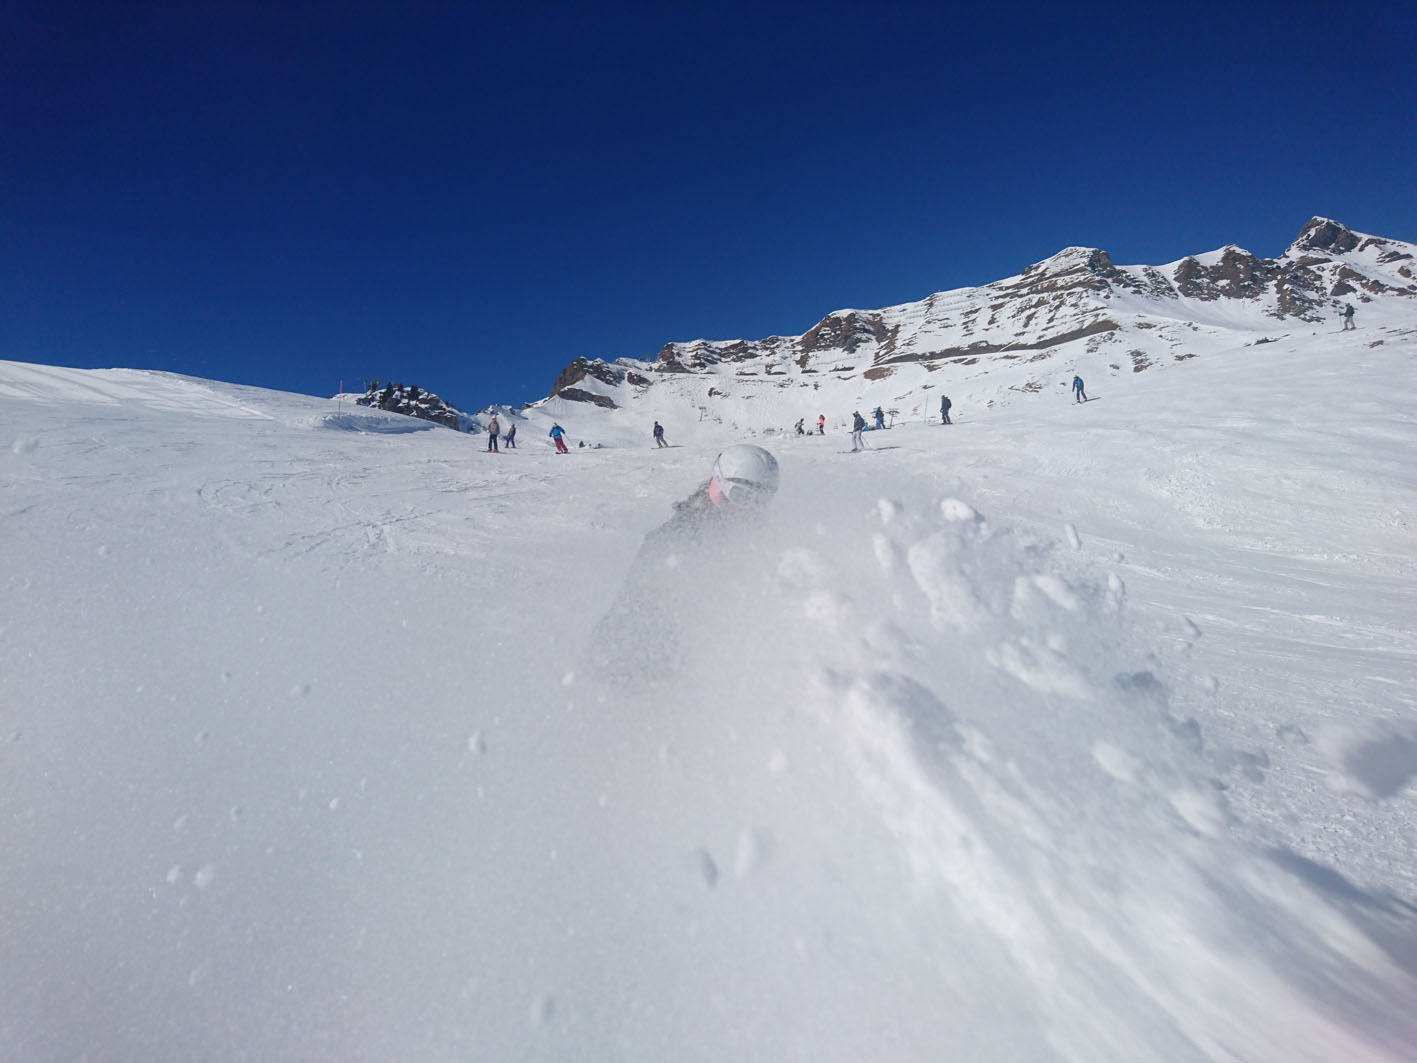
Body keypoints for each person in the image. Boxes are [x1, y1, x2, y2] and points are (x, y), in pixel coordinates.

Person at [589, 444, 781, 689]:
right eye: (740, 496)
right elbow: (639, 617)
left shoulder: (759, 538)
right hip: (634, 667)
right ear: (717, 483)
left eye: (759, 500)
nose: (748, 509)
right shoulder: (674, 541)